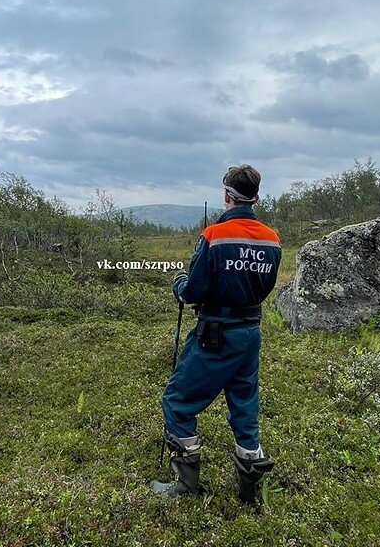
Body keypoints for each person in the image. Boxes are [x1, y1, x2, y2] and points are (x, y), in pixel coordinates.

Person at [150, 164, 281, 505]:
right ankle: (249, 489)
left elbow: (193, 290)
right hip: (250, 332)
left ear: (227, 194)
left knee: (177, 402)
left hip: (216, 333)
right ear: (255, 196)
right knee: (244, 404)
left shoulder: (214, 236)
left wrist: (180, 283)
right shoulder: (273, 239)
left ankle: (185, 486)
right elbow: (264, 287)